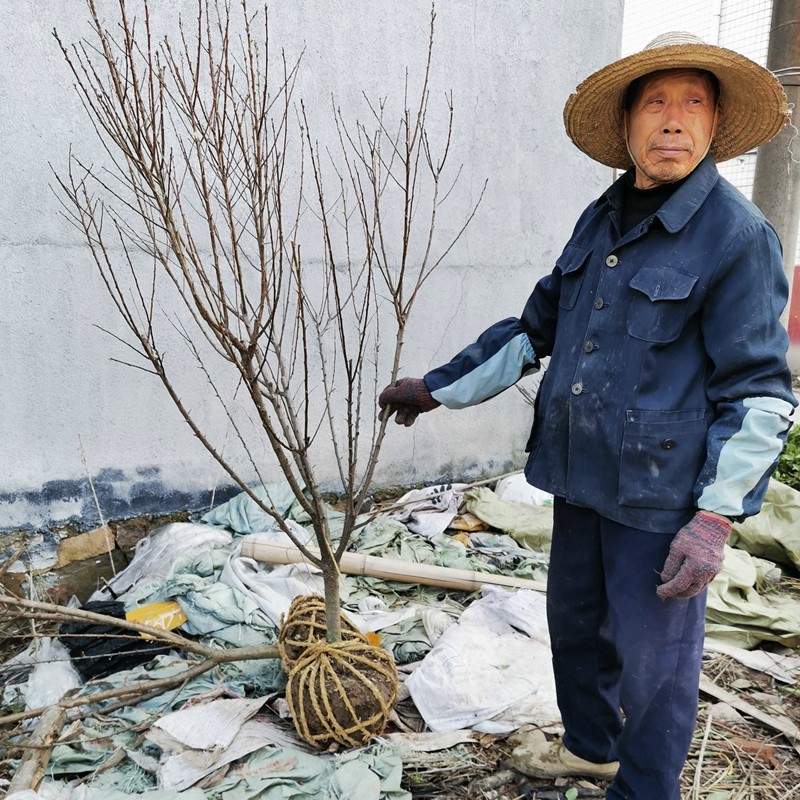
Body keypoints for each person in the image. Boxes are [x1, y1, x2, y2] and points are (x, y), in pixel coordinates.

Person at [379, 32, 797, 800]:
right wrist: (437, 387)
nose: (674, 120)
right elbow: (538, 327)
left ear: (712, 127)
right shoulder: (601, 219)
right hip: (577, 480)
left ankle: (645, 790)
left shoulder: (737, 239)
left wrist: (715, 518)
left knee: (656, 667)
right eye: (657, 102)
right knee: (577, 634)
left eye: (693, 104)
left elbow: (762, 392)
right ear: (630, 125)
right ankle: (592, 749)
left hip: (659, 499)